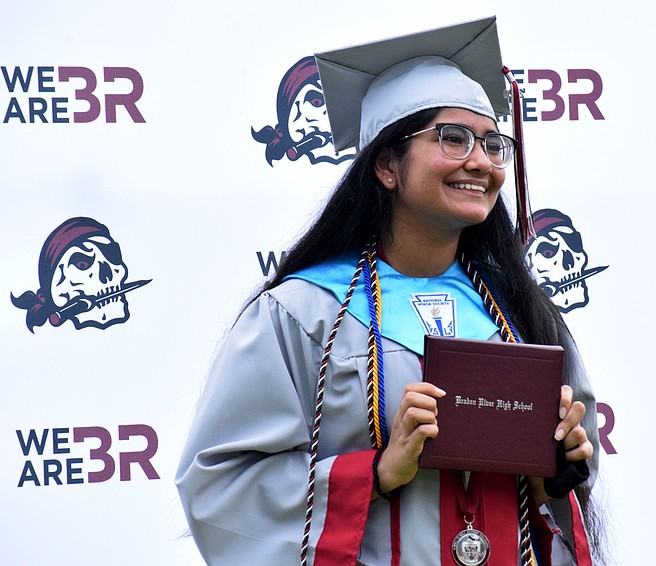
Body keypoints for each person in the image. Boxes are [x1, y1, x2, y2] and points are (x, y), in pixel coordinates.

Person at [176, 16, 604, 566]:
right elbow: (221, 486)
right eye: (453, 139)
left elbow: (559, 501)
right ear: (385, 165)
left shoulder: (520, 314)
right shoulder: (306, 313)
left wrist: (559, 470)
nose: (481, 161)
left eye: (494, 144)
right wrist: (376, 473)